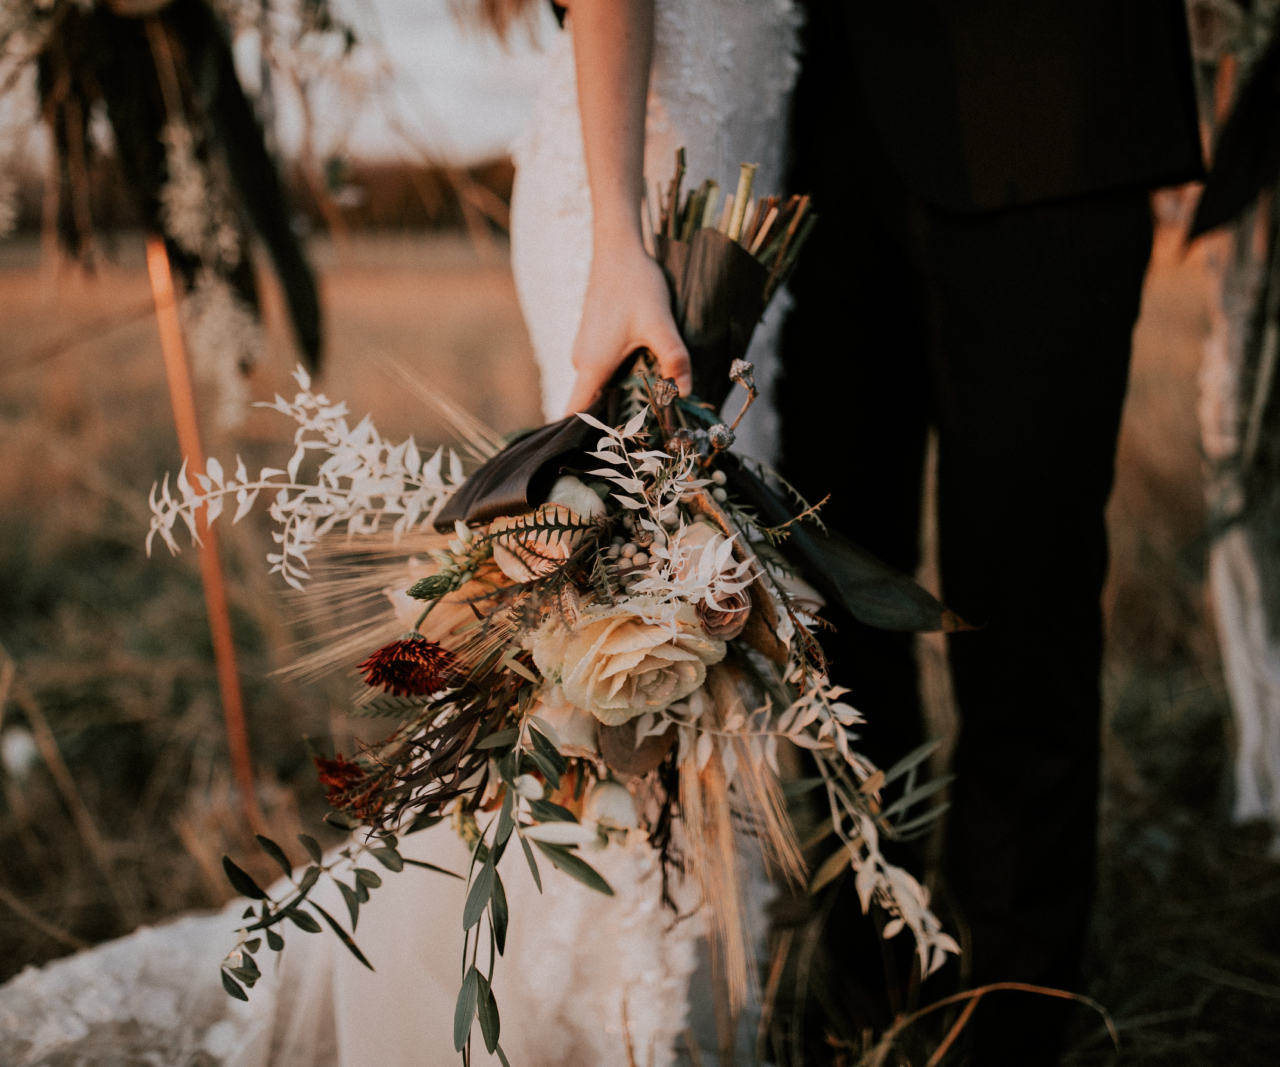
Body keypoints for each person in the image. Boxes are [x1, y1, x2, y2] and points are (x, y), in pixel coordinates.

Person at [0, 2, 804, 1065]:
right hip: (644, 204)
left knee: (656, 613)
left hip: (699, 180)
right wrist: (619, 237)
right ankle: (607, 1013)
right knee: (632, 607)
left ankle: (646, 991)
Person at [773, 3, 1204, 1064]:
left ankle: (1013, 1011)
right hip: (796, 115)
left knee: (1024, 600)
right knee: (821, 594)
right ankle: (869, 964)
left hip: (1044, 94)